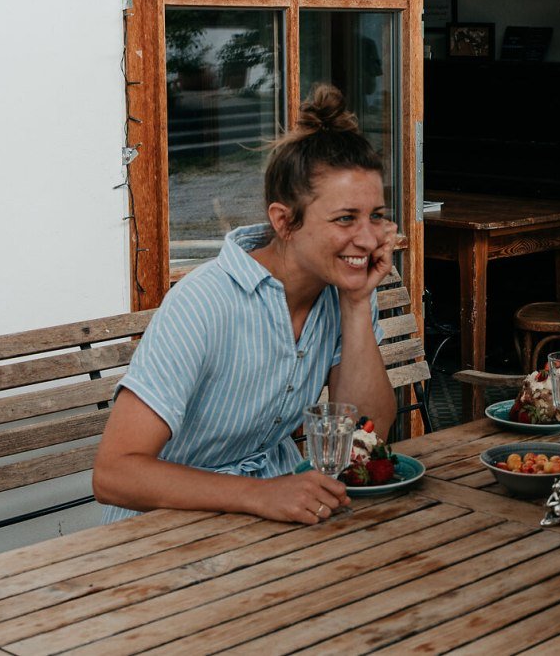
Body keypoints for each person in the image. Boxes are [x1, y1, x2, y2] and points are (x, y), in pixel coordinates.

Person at [94, 84, 399, 526]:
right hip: (158, 529)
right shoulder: (204, 303)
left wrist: (356, 303)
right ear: (283, 221)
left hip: (264, 518)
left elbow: (365, 437)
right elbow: (114, 473)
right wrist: (260, 495)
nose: (369, 238)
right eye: (344, 218)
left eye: (375, 215)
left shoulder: (342, 289)